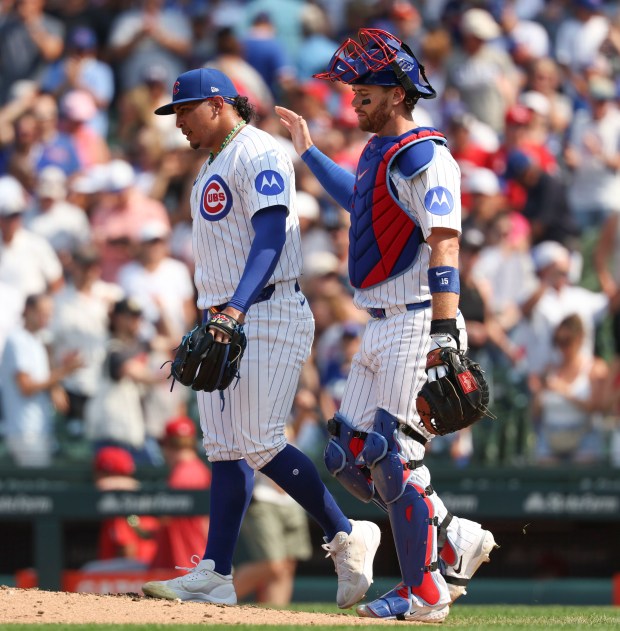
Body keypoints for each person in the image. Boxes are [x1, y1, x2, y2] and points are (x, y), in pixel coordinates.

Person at [275, 27, 497, 622]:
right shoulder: (381, 151)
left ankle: (424, 591)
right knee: (348, 455)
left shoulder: (427, 154)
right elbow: (365, 206)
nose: (354, 99)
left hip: (421, 320)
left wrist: (447, 336)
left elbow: (445, 244)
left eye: (365, 89)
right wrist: (309, 150)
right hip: (380, 322)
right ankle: (452, 535)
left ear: (398, 93)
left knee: (394, 458)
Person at [140, 67, 380, 608]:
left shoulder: (259, 152)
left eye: (187, 109)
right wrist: (215, 314)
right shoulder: (211, 163)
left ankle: (347, 532)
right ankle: (215, 572)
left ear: (221, 103)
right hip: (227, 315)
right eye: (175, 112)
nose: (178, 121)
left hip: (266, 311)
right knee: (224, 449)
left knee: (260, 441)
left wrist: (234, 310)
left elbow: (271, 235)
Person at [149, 416, 211, 570]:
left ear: (168, 445)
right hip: (197, 557)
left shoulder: (180, 476)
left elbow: (164, 519)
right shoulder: (200, 469)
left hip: (183, 561)